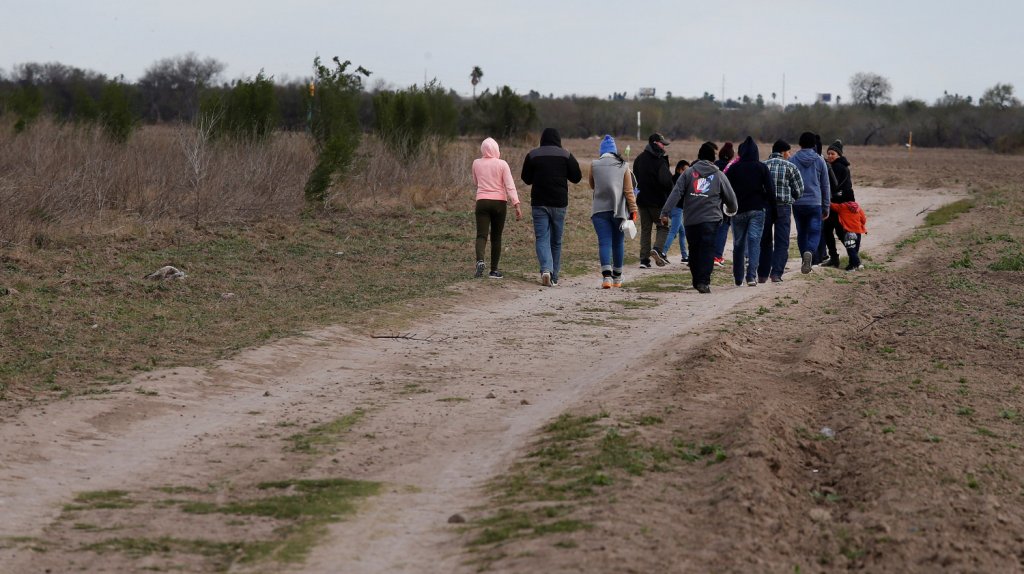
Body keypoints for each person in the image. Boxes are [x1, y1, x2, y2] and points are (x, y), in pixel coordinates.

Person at [660, 142, 737, 294]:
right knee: (707, 250)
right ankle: (703, 281)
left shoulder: (688, 174)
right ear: (713, 159)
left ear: (699, 156)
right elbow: (731, 198)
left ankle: (697, 280)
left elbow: (676, 193)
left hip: (691, 220)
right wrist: (732, 209)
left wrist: (665, 212)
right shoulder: (719, 175)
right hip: (711, 219)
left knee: (694, 249)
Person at [521, 127, 582, 287]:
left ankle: (546, 269)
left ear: (542, 139)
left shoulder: (533, 155)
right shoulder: (566, 155)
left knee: (542, 238)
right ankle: (554, 276)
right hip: (559, 203)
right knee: (556, 241)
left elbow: (525, 178)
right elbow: (577, 177)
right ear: (558, 139)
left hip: (539, 202)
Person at [589, 135, 639, 288]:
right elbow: (629, 191)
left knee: (604, 242)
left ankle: (606, 278)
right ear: (615, 151)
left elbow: (592, 185)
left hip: (599, 210)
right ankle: (617, 278)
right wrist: (634, 210)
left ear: (601, 151)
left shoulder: (594, 164)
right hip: (618, 211)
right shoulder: (623, 166)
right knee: (618, 243)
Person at [726, 137, 774, 286]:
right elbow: (771, 190)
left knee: (738, 244)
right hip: (757, 209)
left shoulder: (734, 169)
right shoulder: (761, 167)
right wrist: (769, 205)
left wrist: (727, 207)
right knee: (754, 242)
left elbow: (726, 190)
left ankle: (738, 277)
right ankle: (751, 276)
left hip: (738, 210)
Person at [472, 137, 522, 279]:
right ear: (496, 149)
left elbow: (476, 181)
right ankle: (494, 270)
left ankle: (480, 260)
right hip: (499, 203)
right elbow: (509, 185)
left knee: (481, 235)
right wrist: (516, 204)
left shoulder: (476, 163)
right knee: (496, 237)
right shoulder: (502, 164)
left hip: (482, 201)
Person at [757, 139, 804, 283]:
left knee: (764, 240)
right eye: (789, 152)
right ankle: (776, 274)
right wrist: (791, 199)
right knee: (782, 241)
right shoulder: (790, 167)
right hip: (783, 207)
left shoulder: (762, 166)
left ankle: (762, 274)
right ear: (783, 152)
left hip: (765, 206)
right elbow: (799, 189)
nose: (789, 155)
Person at [788, 131, 831, 274]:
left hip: (798, 203)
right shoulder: (820, 160)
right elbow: (825, 185)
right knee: (815, 231)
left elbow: (789, 182)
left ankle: (803, 259)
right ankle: (810, 253)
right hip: (815, 202)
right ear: (814, 144)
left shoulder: (792, 160)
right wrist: (826, 206)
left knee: (802, 232)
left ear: (800, 144)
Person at [632, 133, 674, 268]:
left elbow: (635, 178)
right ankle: (657, 249)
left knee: (646, 230)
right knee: (663, 227)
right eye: (662, 144)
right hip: (657, 202)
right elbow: (666, 182)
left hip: (642, 201)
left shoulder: (639, 159)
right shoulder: (660, 161)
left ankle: (644, 260)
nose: (664, 146)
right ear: (655, 143)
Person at [825, 140, 867, 270]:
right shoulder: (842, 166)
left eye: (832, 153)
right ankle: (852, 258)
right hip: (843, 205)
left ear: (839, 155)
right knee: (837, 232)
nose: (830, 156)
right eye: (828, 154)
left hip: (839, 206)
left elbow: (833, 186)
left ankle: (845, 259)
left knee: (829, 231)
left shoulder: (837, 167)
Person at [813, 133, 841, 266]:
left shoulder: (799, 160)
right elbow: (834, 184)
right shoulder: (823, 162)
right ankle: (822, 255)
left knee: (814, 230)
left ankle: (817, 256)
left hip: (810, 201)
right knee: (822, 229)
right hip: (824, 201)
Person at [712, 142, 738, 267]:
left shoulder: (714, 165)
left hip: (713, 201)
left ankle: (710, 255)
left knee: (712, 229)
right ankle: (717, 256)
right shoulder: (732, 167)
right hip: (725, 202)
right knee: (723, 229)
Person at [661, 160, 691, 264]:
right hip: (677, 209)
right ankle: (663, 253)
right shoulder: (681, 180)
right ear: (679, 169)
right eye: (685, 170)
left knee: (682, 232)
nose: (687, 172)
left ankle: (684, 256)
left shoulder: (672, 178)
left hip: (670, 208)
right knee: (673, 232)